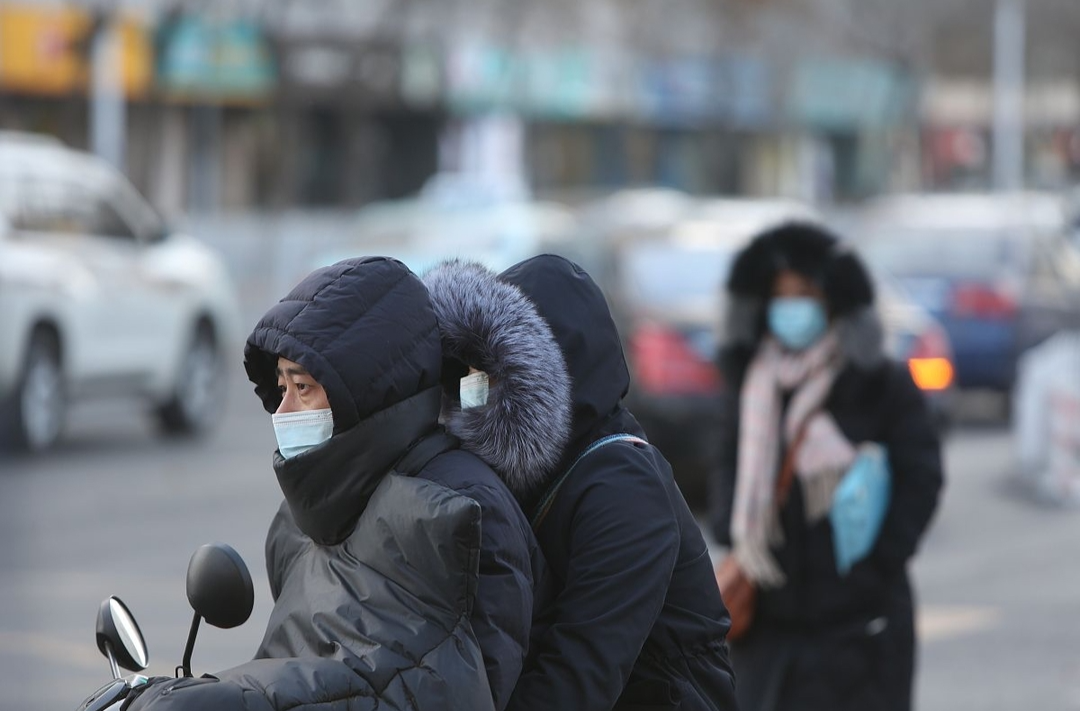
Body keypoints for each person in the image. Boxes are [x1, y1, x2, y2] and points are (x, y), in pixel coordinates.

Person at [128, 256, 550, 710]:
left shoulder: (463, 507)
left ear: (363, 386)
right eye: (281, 386)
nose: (282, 410)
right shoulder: (309, 505)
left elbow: (447, 688)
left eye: (304, 387)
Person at [424, 255, 738, 711]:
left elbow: (579, 673)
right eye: (469, 373)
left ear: (542, 375)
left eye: (493, 371)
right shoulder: (529, 469)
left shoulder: (624, 486)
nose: (476, 388)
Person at [709, 222, 944, 711]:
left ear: (834, 300)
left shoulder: (879, 383)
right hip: (769, 633)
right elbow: (726, 472)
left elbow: (921, 475)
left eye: (806, 294)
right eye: (781, 296)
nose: (792, 308)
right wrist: (737, 533)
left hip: (859, 628)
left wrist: (878, 565)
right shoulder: (754, 385)